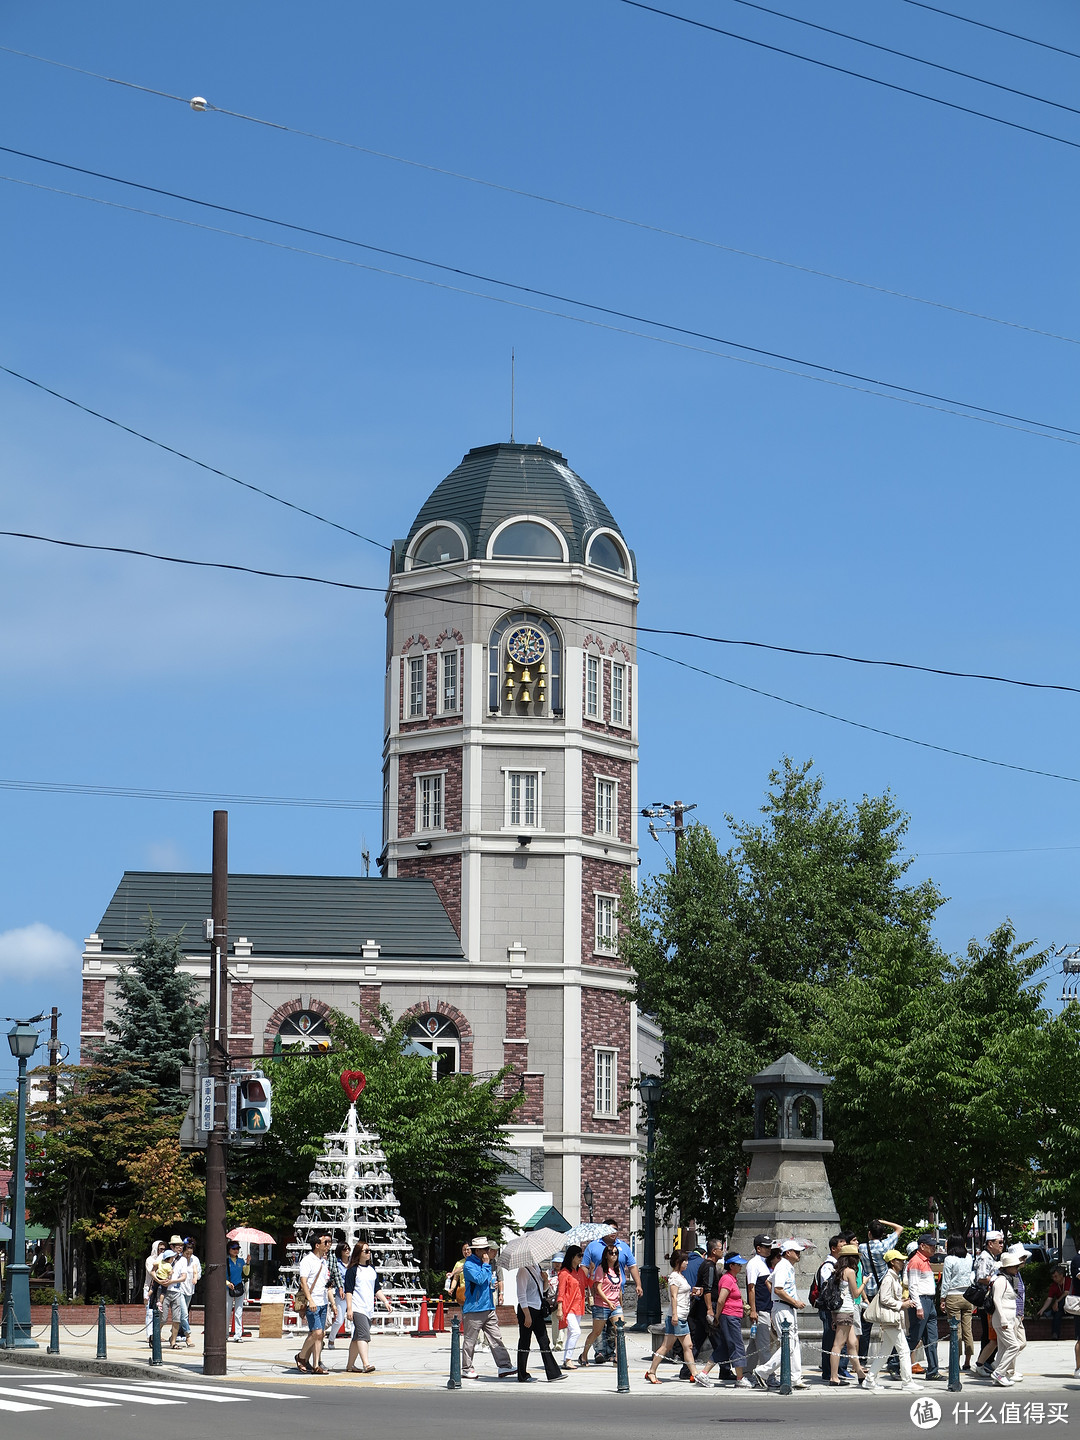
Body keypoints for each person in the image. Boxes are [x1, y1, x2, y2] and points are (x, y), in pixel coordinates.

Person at [645, 1249, 709, 1385]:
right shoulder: (674, 1277)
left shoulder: (681, 1276)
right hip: (677, 1316)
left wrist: (693, 1293)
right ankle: (652, 1371)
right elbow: (673, 1297)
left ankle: (694, 1374)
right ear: (678, 1262)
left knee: (686, 1346)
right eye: (684, 1261)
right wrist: (674, 1315)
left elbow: (680, 1294)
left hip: (681, 1316)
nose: (687, 1263)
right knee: (669, 1347)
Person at [753, 1239, 808, 1390]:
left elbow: (770, 1282)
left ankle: (795, 1377)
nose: (798, 1255)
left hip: (785, 1307)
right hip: (783, 1308)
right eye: (796, 1252)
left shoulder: (784, 1266)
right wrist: (794, 1301)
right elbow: (778, 1289)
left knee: (793, 1343)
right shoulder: (783, 1266)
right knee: (788, 1344)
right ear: (788, 1253)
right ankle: (763, 1371)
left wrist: (788, 1300)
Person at [865, 1247, 919, 1392]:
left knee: (884, 1353)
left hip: (892, 1320)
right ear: (893, 1262)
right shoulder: (889, 1278)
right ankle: (907, 1381)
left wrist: (902, 1301)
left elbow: (889, 1298)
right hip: (891, 1320)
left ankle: (869, 1379)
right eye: (900, 1260)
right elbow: (884, 1298)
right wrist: (902, 1304)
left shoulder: (893, 1277)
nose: (903, 1263)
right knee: (904, 1350)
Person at [461, 1237, 514, 1379]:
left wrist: (494, 1285)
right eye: (485, 1249)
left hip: (489, 1307)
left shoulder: (486, 1264)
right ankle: (467, 1368)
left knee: (496, 1337)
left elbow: (486, 1282)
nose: (487, 1251)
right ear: (477, 1250)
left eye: (487, 1249)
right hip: (474, 1309)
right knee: (470, 1340)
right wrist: (486, 1265)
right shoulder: (469, 1264)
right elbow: (478, 1279)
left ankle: (504, 1366)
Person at [701, 1253, 752, 1388]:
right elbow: (721, 1300)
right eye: (738, 1264)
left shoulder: (731, 1279)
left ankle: (704, 1373)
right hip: (729, 1317)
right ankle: (740, 1378)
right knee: (737, 1346)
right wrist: (717, 1316)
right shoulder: (727, 1279)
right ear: (731, 1266)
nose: (740, 1266)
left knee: (724, 1348)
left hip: (731, 1316)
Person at [343, 1241, 392, 1373]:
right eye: (366, 1251)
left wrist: (385, 1301)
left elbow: (376, 1288)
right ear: (359, 1254)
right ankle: (366, 1364)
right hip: (357, 1307)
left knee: (356, 1338)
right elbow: (349, 1291)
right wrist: (349, 1308)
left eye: (369, 1250)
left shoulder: (372, 1269)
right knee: (364, 1335)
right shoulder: (352, 1270)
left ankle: (349, 1366)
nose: (369, 1253)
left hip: (368, 1308)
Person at [826, 1245, 872, 1387]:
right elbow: (856, 1293)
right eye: (856, 1257)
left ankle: (860, 1373)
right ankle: (834, 1377)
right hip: (846, 1310)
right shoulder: (850, 1272)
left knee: (852, 1343)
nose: (858, 1260)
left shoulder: (837, 1271)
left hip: (841, 1311)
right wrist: (864, 1282)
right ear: (852, 1258)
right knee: (838, 1345)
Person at [858, 1220, 903, 1362]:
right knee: (891, 1323)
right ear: (882, 1234)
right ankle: (892, 1359)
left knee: (866, 1327)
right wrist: (881, 1221)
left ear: (869, 1233)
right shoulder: (886, 1245)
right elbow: (899, 1227)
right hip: (885, 1290)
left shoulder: (862, 1247)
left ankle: (862, 1358)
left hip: (869, 1291)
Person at [515, 1257, 563, 1382]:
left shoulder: (537, 1267)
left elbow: (542, 1291)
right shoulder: (523, 1270)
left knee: (544, 1341)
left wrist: (545, 1280)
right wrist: (527, 1315)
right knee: (525, 1342)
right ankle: (522, 1374)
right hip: (527, 1310)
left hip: (537, 1309)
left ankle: (553, 1373)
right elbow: (521, 1295)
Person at [680, 1239, 722, 1380]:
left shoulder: (706, 1265)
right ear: (714, 1251)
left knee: (697, 1340)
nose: (722, 1251)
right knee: (719, 1342)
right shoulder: (709, 1266)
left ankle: (686, 1370)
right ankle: (725, 1369)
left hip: (700, 1308)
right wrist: (710, 1309)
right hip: (707, 1308)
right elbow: (707, 1289)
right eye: (720, 1248)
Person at [581, 1244, 625, 1366]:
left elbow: (619, 1288)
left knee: (619, 1331)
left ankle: (618, 1357)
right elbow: (598, 1288)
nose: (614, 1255)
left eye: (616, 1253)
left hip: (615, 1305)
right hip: (602, 1305)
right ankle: (584, 1355)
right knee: (596, 1332)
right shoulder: (601, 1269)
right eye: (611, 1253)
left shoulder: (617, 1269)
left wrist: (620, 1303)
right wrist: (608, 1302)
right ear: (606, 1255)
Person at [989, 1247, 1028, 1387]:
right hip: (1003, 1318)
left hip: (1009, 1318)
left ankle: (1000, 1374)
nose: (1017, 1268)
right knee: (1014, 1345)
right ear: (1008, 1267)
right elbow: (997, 1300)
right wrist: (1003, 1319)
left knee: (1004, 1348)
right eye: (1015, 1266)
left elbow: (1015, 1296)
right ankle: (999, 1372)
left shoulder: (1011, 1279)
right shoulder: (1001, 1280)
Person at [906, 1233, 941, 1381]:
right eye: (931, 1245)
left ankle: (933, 1370)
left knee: (932, 1338)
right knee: (915, 1336)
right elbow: (913, 1286)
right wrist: (919, 1306)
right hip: (921, 1300)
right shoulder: (915, 1261)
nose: (934, 1248)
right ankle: (894, 1362)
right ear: (922, 1246)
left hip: (929, 1301)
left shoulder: (925, 1260)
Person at [296, 1232, 332, 1374]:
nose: (328, 1245)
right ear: (317, 1245)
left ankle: (316, 1364)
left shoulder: (323, 1261)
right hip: (313, 1302)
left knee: (320, 1334)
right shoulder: (307, 1260)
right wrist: (310, 1299)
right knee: (316, 1332)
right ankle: (301, 1356)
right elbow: (303, 1282)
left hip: (323, 1301)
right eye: (325, 1243)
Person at [941, 1236, 975, 1370]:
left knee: (956, 1331)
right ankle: (967, 1361)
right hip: (967, 1296)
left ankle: (955, 1362)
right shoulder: (969, 1257)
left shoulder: (949, 1259)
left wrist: (942, 1299)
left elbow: (946, 1281)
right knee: (968, 1330)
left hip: (953, 1296)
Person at [815, 1235, 845, 1382]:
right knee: (829, 1338)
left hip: (834, 1308)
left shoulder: (838, 1264)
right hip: (828, 1308)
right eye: (842, 1246)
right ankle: (827, 1371)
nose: (844, 1248)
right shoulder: (828, 1266)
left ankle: (834, 1370)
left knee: (834, 1339)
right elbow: (828, 1289)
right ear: (833, 1248)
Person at [975, 1231, 1005, 1375]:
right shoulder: (984, 1258)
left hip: (992, 1300)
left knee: (991, 1335)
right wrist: (997, 1280)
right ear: (990, 1243)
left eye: (1002, 1242)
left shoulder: (992, 1257)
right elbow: (980, 1278)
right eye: (999, 1242)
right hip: (987, 1302)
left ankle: (987, 1361)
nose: (1001, 1245)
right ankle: (984, 1363)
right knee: (989, 1335)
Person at [745, 1233, 775, 1375]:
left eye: (770, 1246)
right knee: (764, 1345)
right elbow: (751, 1288)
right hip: (760, 1309)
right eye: (766, 1247)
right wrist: (753, 1310)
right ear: (758, 1248)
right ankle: (768, 1375)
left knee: (754, 1345)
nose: (769, 1249)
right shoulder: (754, 1264)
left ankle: (746, 1372)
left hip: (766, 1309)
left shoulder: (764, 1264)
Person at [557, 1245, 588, 1369]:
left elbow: (587, 1283)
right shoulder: (564, 1273)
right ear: (572, 1257)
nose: (581, 1258)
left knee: (571, 1333)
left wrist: (592, 1271)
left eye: (582, 1255)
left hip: (578, 1307)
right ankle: (568, 1359)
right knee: (576, 1332)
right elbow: (561, 1292)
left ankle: (566, 1359)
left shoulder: (580, 1271)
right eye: (579, 1255)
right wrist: (560, 1309)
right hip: (567, 1307)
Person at [327, 1242, 350, 1350]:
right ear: (340, 1251)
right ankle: (331, 1339)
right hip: (340, 1294)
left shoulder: (352, 1263)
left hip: (352, 1293)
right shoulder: (336, 1263)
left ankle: (356, 1342)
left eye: (348, 1249)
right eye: (345, 1249)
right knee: (339, 1320)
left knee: (355, 1319)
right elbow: (333, 1277)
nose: (347, 1251)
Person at [226, 1240, 249, 1343]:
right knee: (227, 1312)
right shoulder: (225, 1261)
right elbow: (221, 1275)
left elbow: (246, 1273)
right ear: (229, 1249)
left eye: (237, 1248)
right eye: (233, 1248)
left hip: (239, 1288)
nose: (236, 1250)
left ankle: (238, 1335)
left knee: (238, 1312)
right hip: (228, 1288)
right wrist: (227, 1283)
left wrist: (248, 1263)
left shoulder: (241, 1261)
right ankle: (225, 1334)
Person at [1039, 1266, 1069, 1341]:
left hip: (1071, 1306)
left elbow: (1066, 1293)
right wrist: (1042, 1309)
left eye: (1056, 1276)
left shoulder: (1069, 1281)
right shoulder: (1054, 1285)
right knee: (1057, 1313)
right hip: (1062, 1309)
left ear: (1061, 1275)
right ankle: (1055, 1333)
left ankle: (1050, 1313)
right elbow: (1049, 1298)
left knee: (1063, 1300)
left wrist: (1057, 1301)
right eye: (1053, 1277)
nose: (1054, 1279)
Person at [445, 1242, 471, 1307]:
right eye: (464, 1250)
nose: (466, 1252)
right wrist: (452, 1288)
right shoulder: (459, 1263)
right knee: (464, 1313)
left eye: (468, 1249)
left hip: (474, 1290)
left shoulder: (476, 1261)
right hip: (463, 1291)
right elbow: (455, 1279)